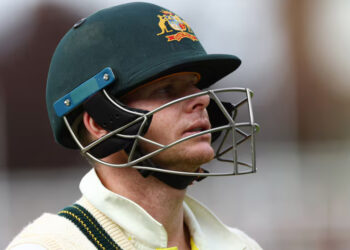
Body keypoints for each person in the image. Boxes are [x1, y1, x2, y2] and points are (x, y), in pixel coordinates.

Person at [7, 2, 261, 250]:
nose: (203, 100)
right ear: (99, 123)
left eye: (196, 86)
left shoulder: (241, 245)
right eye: (167, 89)